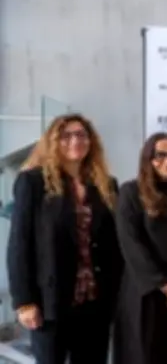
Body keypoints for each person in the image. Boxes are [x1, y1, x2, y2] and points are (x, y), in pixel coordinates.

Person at [7, 114, 122, 364]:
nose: (75, 141)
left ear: (91, 141)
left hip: (95, 302)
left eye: (81, 135)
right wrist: (24, 301)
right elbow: (19, 244)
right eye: (66, 136)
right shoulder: (33, 182)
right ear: (53, 141)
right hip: (51, 302)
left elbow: (115, 246)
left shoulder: (107, 185)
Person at [114, 132, 167, 364]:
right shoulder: (131, 192)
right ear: (148, 159)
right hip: (146, 290)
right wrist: (166, 286)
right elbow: (131, 244)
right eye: (160, 155)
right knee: (145, 355)